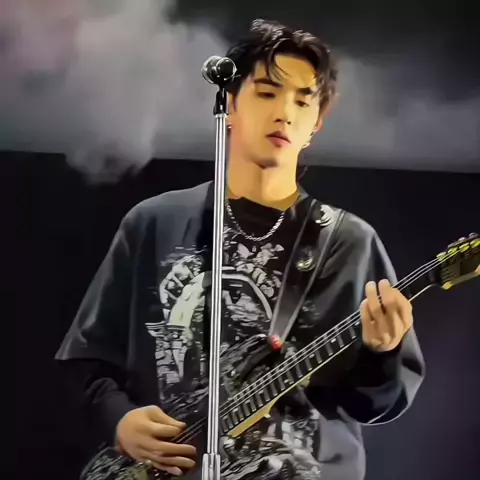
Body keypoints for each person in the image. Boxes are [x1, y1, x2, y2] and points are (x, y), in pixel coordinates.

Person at [56, 19, 425, 480]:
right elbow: (85, 361)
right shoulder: (154, 222)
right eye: (268, 93)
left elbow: (374, 405)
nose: (285, 112)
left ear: (315, 124)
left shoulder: (349, 243)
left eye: (302, 100)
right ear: (230, 104)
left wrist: (383, 353)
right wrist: (120, 419)